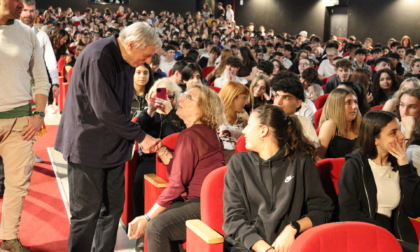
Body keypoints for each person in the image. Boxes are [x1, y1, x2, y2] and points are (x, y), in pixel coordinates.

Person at [54, 22, 162, 252]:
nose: (147, 61)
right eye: (146, 55)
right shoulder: (99, 56)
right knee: (86, 214)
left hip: (114, 146)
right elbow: (105, 110)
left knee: (112, 211)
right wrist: (141, 136)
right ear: (132, 44)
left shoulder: (127, 58)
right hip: (87, 146)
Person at [127, 85, 226, 251]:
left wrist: (146, 217)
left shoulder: (191, 135)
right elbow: (181, 173)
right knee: (161, 221)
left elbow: (176, 184)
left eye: (188, 97)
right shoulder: (206, 132)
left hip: (203, 205)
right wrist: (162, 150)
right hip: (209, 202)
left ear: (203, 109)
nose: (180, 98)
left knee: (156, 228)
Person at [223, 104, 333, 252]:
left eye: (249, 126)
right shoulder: (238, 163)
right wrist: (266, 250)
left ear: (263, 131)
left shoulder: (301, 162)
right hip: (248, 246)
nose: (244, 131)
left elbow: (322, 210)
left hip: (290, 245)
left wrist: (293, 228)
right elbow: (233, 220)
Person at [0, 0, 50, 250]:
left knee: (17, 185)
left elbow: (41, 78)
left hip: (20, 122)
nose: (22, 4)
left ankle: (9, 238)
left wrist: (39, 113)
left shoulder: (28, 33)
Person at [338, 110, 419, 252]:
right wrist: (385, 235)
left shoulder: (401, 165)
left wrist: (404, 165)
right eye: (393, 132)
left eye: (400, 130)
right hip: (365, 236)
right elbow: (349, 213)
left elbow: (414, 209)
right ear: (374, 139)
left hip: (397, 235)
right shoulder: (354, 166)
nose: (401, 136)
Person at [132, 77, 185, 222]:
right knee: (140, 178)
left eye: (170, 96)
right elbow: (138, 131)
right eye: (160, 94)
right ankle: (140, 223)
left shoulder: (180, 115)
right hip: (150, 160)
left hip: (175, 162)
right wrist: (150, 109)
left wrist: (169, 112)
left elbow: (180, 136)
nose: (165, 99)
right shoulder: (148, 114)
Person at [318, 88, 362, 158]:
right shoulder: (329, 125)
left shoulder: (361, 125)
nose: (354, 107)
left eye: (355, 102)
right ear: (337, 106)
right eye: (348, 102)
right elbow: (318, 157)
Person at [218, 81, 250, 161]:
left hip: (239, 161)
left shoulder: (244, 115)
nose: (247, 102)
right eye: (244, 97)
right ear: (233, 97)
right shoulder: (213, 116)